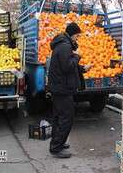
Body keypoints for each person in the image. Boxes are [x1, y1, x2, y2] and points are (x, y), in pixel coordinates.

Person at [47, 22, 91, 158]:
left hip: (59, 87)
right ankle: (56, 147)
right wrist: (77, 56)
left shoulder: (62, 45)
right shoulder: (65, 47)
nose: (77, 38)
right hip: (62, 88)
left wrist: (82, 68)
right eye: (77, 35)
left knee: (58, 116)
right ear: (72, 34)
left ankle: (57, 142)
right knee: (66, 118)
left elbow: (67, 65)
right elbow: (67, 66)